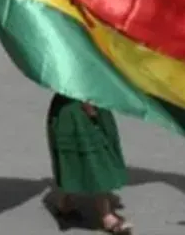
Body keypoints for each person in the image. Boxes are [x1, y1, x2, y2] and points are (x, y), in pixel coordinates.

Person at [44, 91, 129, 233]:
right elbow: (81, 80)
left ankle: (65, 203)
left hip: (68, 107)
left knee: (73, 159)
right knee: (95, 159)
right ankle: (106, 216)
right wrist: (87, 103)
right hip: (81, 108)